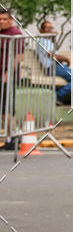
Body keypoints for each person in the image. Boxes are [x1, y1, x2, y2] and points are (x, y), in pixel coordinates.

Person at [0, 9, 24, 151]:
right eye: (0, 19)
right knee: (3, 109)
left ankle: (14, 136)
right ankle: (11, 137)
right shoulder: (2, 33)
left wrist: (8, 73)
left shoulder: (15, 34)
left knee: (6, 108)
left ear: (11, 20)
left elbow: (19, 55)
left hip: (7, 77)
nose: (2, 22)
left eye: (4, 19)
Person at [38, 19, 72, 105]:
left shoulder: (48, 41)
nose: (50, 30)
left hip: (58, 67)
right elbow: (52, 55)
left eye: (51, 28)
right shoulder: (42, 41)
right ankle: (57, 95)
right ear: (41, 31)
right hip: (53, 68)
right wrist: (66, 59)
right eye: (47, 28)